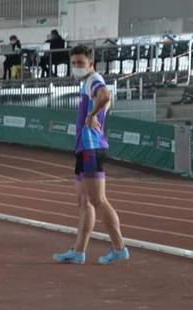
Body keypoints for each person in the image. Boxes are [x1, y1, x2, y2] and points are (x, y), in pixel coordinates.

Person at [54, 45, 128, 265]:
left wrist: (92, 115)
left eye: (80, 63)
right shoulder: (87, 82)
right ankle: (79, 251)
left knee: (97, 199)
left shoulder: (94, 79)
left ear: (90, 64)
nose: (76, 66)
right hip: (84, 147)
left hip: (91, 146)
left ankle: (119, 247)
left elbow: (105, 95)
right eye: (74, 63)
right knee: (84, 200)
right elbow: (107, 99)